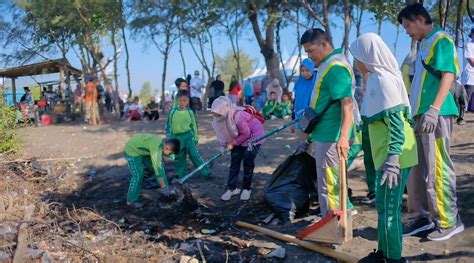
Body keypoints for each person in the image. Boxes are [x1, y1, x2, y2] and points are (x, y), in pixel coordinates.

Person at [398, 3, 464, 241]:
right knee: (417, 170)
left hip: (435, 113)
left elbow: (448, 74)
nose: (407, 31)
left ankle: (449, 221)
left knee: (438, 167)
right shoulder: (424, 45)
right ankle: (421, 217)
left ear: (419, 19)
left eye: (407, 26)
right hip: (419, 114)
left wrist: (434, 109)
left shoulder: (441, 40)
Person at [351, 32, 418, 263]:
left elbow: (397, 122)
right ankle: (384, 252)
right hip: (386, 156)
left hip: (394, 157)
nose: (355, 63)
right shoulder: (378, 79)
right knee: (383, 205)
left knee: (390, 209)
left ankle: (394, 259)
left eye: (357, 57)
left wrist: (393, 159)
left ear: (368, 56)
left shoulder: (384, 80)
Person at [297, 28, 355, 218]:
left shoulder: (335, 67)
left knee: (330, 187)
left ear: (324, 44)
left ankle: (332, 230)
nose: (309, 55)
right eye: (306, 52)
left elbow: (347, 104)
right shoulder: (326, 65)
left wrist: (344, 138)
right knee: (329, 184)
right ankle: (332, 226)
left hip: (332, 136)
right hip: (324, 133)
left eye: (311, 50)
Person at [211, 96, 265, 201]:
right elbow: (221, 131)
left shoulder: (238, 117)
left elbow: (246, 134)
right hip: (238, 137)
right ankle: (232, 188)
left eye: (218, 115)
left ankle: (246, 188)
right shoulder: (221, 118)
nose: (217, 118)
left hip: (253, 137)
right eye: (215, 115)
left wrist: (232, 143)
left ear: (225, 110)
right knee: (235, 161)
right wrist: (222, 145)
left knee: (247, 161)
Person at [124, 134, 180, 208]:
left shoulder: (163, 144)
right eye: (170, 153)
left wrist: (171, 155)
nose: (169, 155)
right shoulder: (156, 148)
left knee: (151, 169)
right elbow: (158, 169)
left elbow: (158, 167)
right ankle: (131, 200)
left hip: (143, 151)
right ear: (166, 147)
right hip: (132, 150)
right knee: (137, 175)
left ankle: (139, 183)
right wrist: (165, 188)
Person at [165, 90, 210, 179]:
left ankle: (207, 172)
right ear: (177, 100)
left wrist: (196, 137)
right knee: (180, 158)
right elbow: (168, 126)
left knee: (194, 155)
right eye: (180, 100)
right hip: (177, 139)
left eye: (184, 100)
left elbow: (194, 126)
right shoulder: (172, 112)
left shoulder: (190, 112)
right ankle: (181, 177)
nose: (182, 102)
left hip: (188, 137)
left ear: (188, 101)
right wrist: (169, 138)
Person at [462, 28, 474, 112]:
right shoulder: (468, 45)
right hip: (469, 75)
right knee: (467, 96)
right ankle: (461, 115)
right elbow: (471, 60)